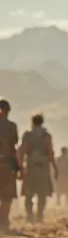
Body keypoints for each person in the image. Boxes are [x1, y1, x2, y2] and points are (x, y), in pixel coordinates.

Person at [16, 114, 57, 223]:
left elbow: (21, 152)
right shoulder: (46, 136)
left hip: (31, 167)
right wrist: (54, 167)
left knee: (29, 193)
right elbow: (50, 153)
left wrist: (20, 167)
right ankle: (39, 216)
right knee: (41, 193)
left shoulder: (28, 135)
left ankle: (30, 216)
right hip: (42, 168)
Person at [0, 98, 21, 230]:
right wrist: (19, 167)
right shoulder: (11, 127)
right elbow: (13, 148)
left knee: (7, 196)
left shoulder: (11, 126)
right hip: (6, 164)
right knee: (7, 196)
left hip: (7, 164)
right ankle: (2, 221)